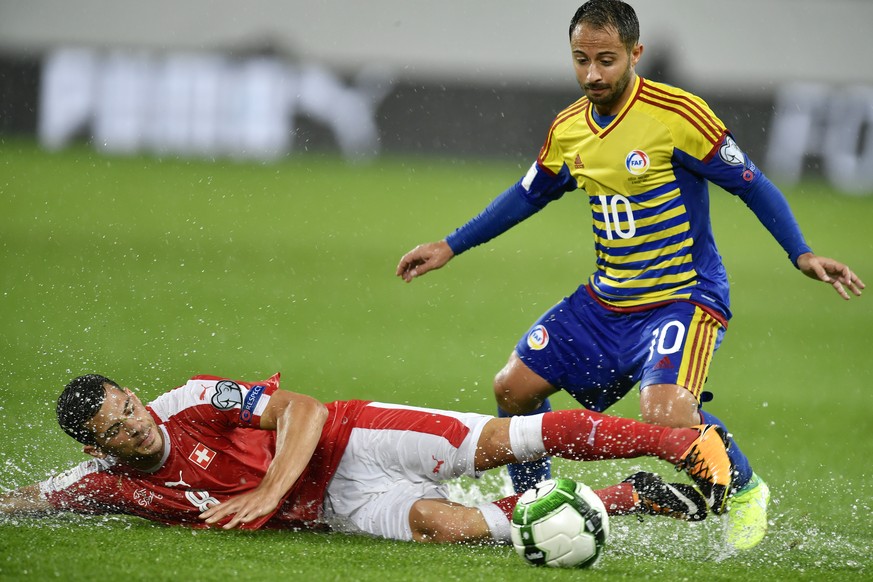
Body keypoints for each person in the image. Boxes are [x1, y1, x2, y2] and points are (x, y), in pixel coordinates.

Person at [395, 0, 864, 551]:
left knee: (665, 413)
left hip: (682, 298)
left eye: (607, 60)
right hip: (607, 299)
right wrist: (451, 245)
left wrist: (800, 253)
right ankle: (537, 506)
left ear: (635, 54)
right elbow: (529, 194)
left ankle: (744, 487)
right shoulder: (569, 127)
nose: (592, 74)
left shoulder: (678, 115)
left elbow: (752, 183)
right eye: (581, 60)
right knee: (512, 389)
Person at [0, 372, 733, 544]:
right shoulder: (104, 482)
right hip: (338, 506)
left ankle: (684, 444)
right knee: (464, 530)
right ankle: (633, 495)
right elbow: (30, 497)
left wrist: (266, 495)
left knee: (513, 440)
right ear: (99, 446)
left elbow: (306, 412)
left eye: (128, 405)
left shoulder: (191, 398)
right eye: (117, 428)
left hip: (354, 437)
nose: (136, 424)